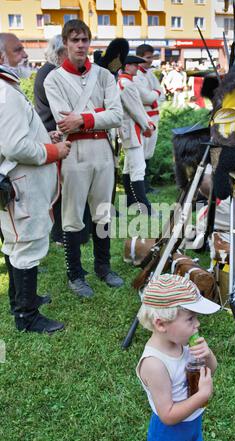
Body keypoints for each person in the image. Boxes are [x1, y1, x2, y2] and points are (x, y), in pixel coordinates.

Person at [44, 20, 124, 297]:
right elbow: (63, 121)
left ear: (90, 42)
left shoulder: (104, 75)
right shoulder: (53, 79)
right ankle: (75, 274)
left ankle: (103, 267)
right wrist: (98, 115)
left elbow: (117, 115)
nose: (80, 45)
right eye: (75, 40)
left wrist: (86, 118)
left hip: (102, 149)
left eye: (84, 40)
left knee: (103, 212)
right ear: (65, 43)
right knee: (72, 215)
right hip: (74, 151)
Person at [0, 33, 71, 333]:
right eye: (17, 50)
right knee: (26, 245)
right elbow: (15, 146)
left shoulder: (6, 89)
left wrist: (44, 137)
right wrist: (54, 150)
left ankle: (20, 300)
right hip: (21, 185)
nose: (24, 54)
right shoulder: (4, 92)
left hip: (17, 183)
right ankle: (26, 316)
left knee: (16, 244)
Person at [136, 274, 219, 441]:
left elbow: (211, 369)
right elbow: (167, 415)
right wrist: (202, 395)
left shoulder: (182, 343)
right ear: (161, 324)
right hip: (169, 437)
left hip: (193, 425)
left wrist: (208, 354)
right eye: (190, 319)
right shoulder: (155, 364)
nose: (197, 324)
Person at [34, 34, 91, 246]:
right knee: (63, 188)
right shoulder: (51, 73)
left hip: (57, 132)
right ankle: (60, 235)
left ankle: (68, 232)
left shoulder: (51, 71)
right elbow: (67, 108)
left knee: (67, 186)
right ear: (60, 52)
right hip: (55, 134)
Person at [118, 55, 156, 215]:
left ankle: (130, 202)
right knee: (138, 168)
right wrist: (147, 125)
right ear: (127, 67)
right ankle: (144, 208)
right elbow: (136, 109)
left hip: (129, 129)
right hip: (132, 130)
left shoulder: (123, 82)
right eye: (133, 65)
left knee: (129, 167)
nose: (136, 68)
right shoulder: (127, 84)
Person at [134, 44, 165, 193]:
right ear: (140, 57)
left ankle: (146, 185)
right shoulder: (137, 75)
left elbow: (162, 94)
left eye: (152, 57)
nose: (151, 60)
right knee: (142, 152)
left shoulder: (150, 74)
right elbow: (145, 97)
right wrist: (154, 94)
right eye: (148, 57)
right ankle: (142, 186)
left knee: (149, 152)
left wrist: (154, 95)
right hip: (144, 117)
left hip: (154, 116)